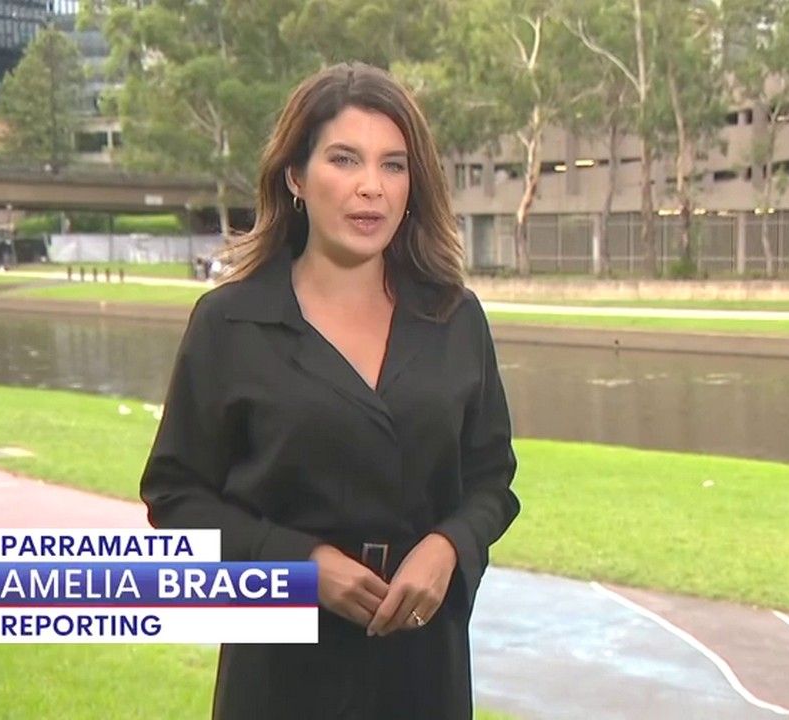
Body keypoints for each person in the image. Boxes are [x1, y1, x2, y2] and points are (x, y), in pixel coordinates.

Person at [139, 62, 520, 719]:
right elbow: (174, 496)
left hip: (422, 664)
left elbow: (492, 481)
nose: (372, 187)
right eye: (345, 160)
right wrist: (301, 565)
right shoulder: (230, 323)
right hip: (279, 669)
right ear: (295, 175)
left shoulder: (455, 319)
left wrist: (449, 547)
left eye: (393, 165)